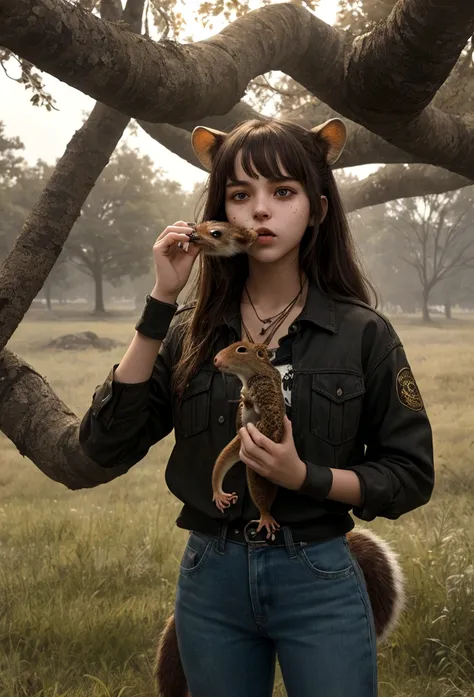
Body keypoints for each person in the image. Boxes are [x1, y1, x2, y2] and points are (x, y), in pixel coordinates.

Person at [79, 117, 434, 697]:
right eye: (241, 195)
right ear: (221, 215)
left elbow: (410, 475)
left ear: (318, 208)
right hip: (211, 577)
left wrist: (304, 476)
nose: (260, 211)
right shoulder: (192, 337)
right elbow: (104, 445)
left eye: (283, 192)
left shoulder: (362, 334)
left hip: (319, 572)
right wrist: (162, 299)